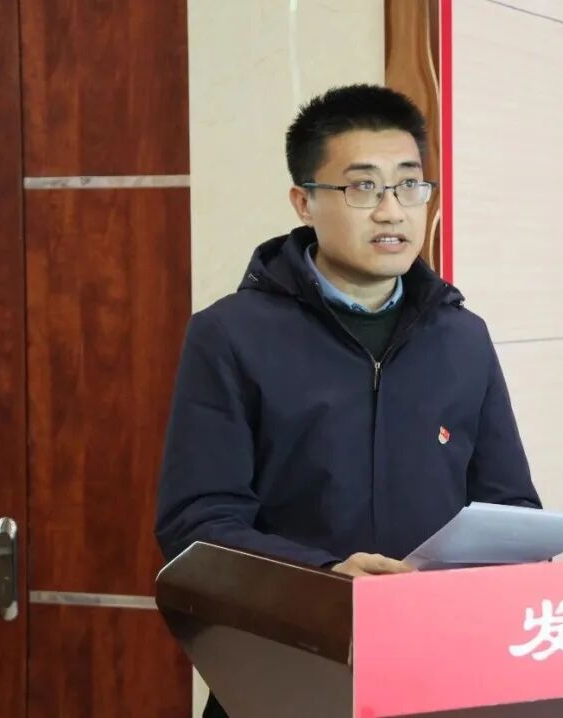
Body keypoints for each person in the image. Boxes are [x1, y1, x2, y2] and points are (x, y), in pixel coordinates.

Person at [155, 84, 541, 717]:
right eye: (363, 187)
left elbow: (510, 505)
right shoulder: (230, 335)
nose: (392, 211)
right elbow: (196, 524)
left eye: (409, 185)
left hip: (434, 671)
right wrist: (325, 575)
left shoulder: (462, 336)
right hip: (283, 670)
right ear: (304, 201)